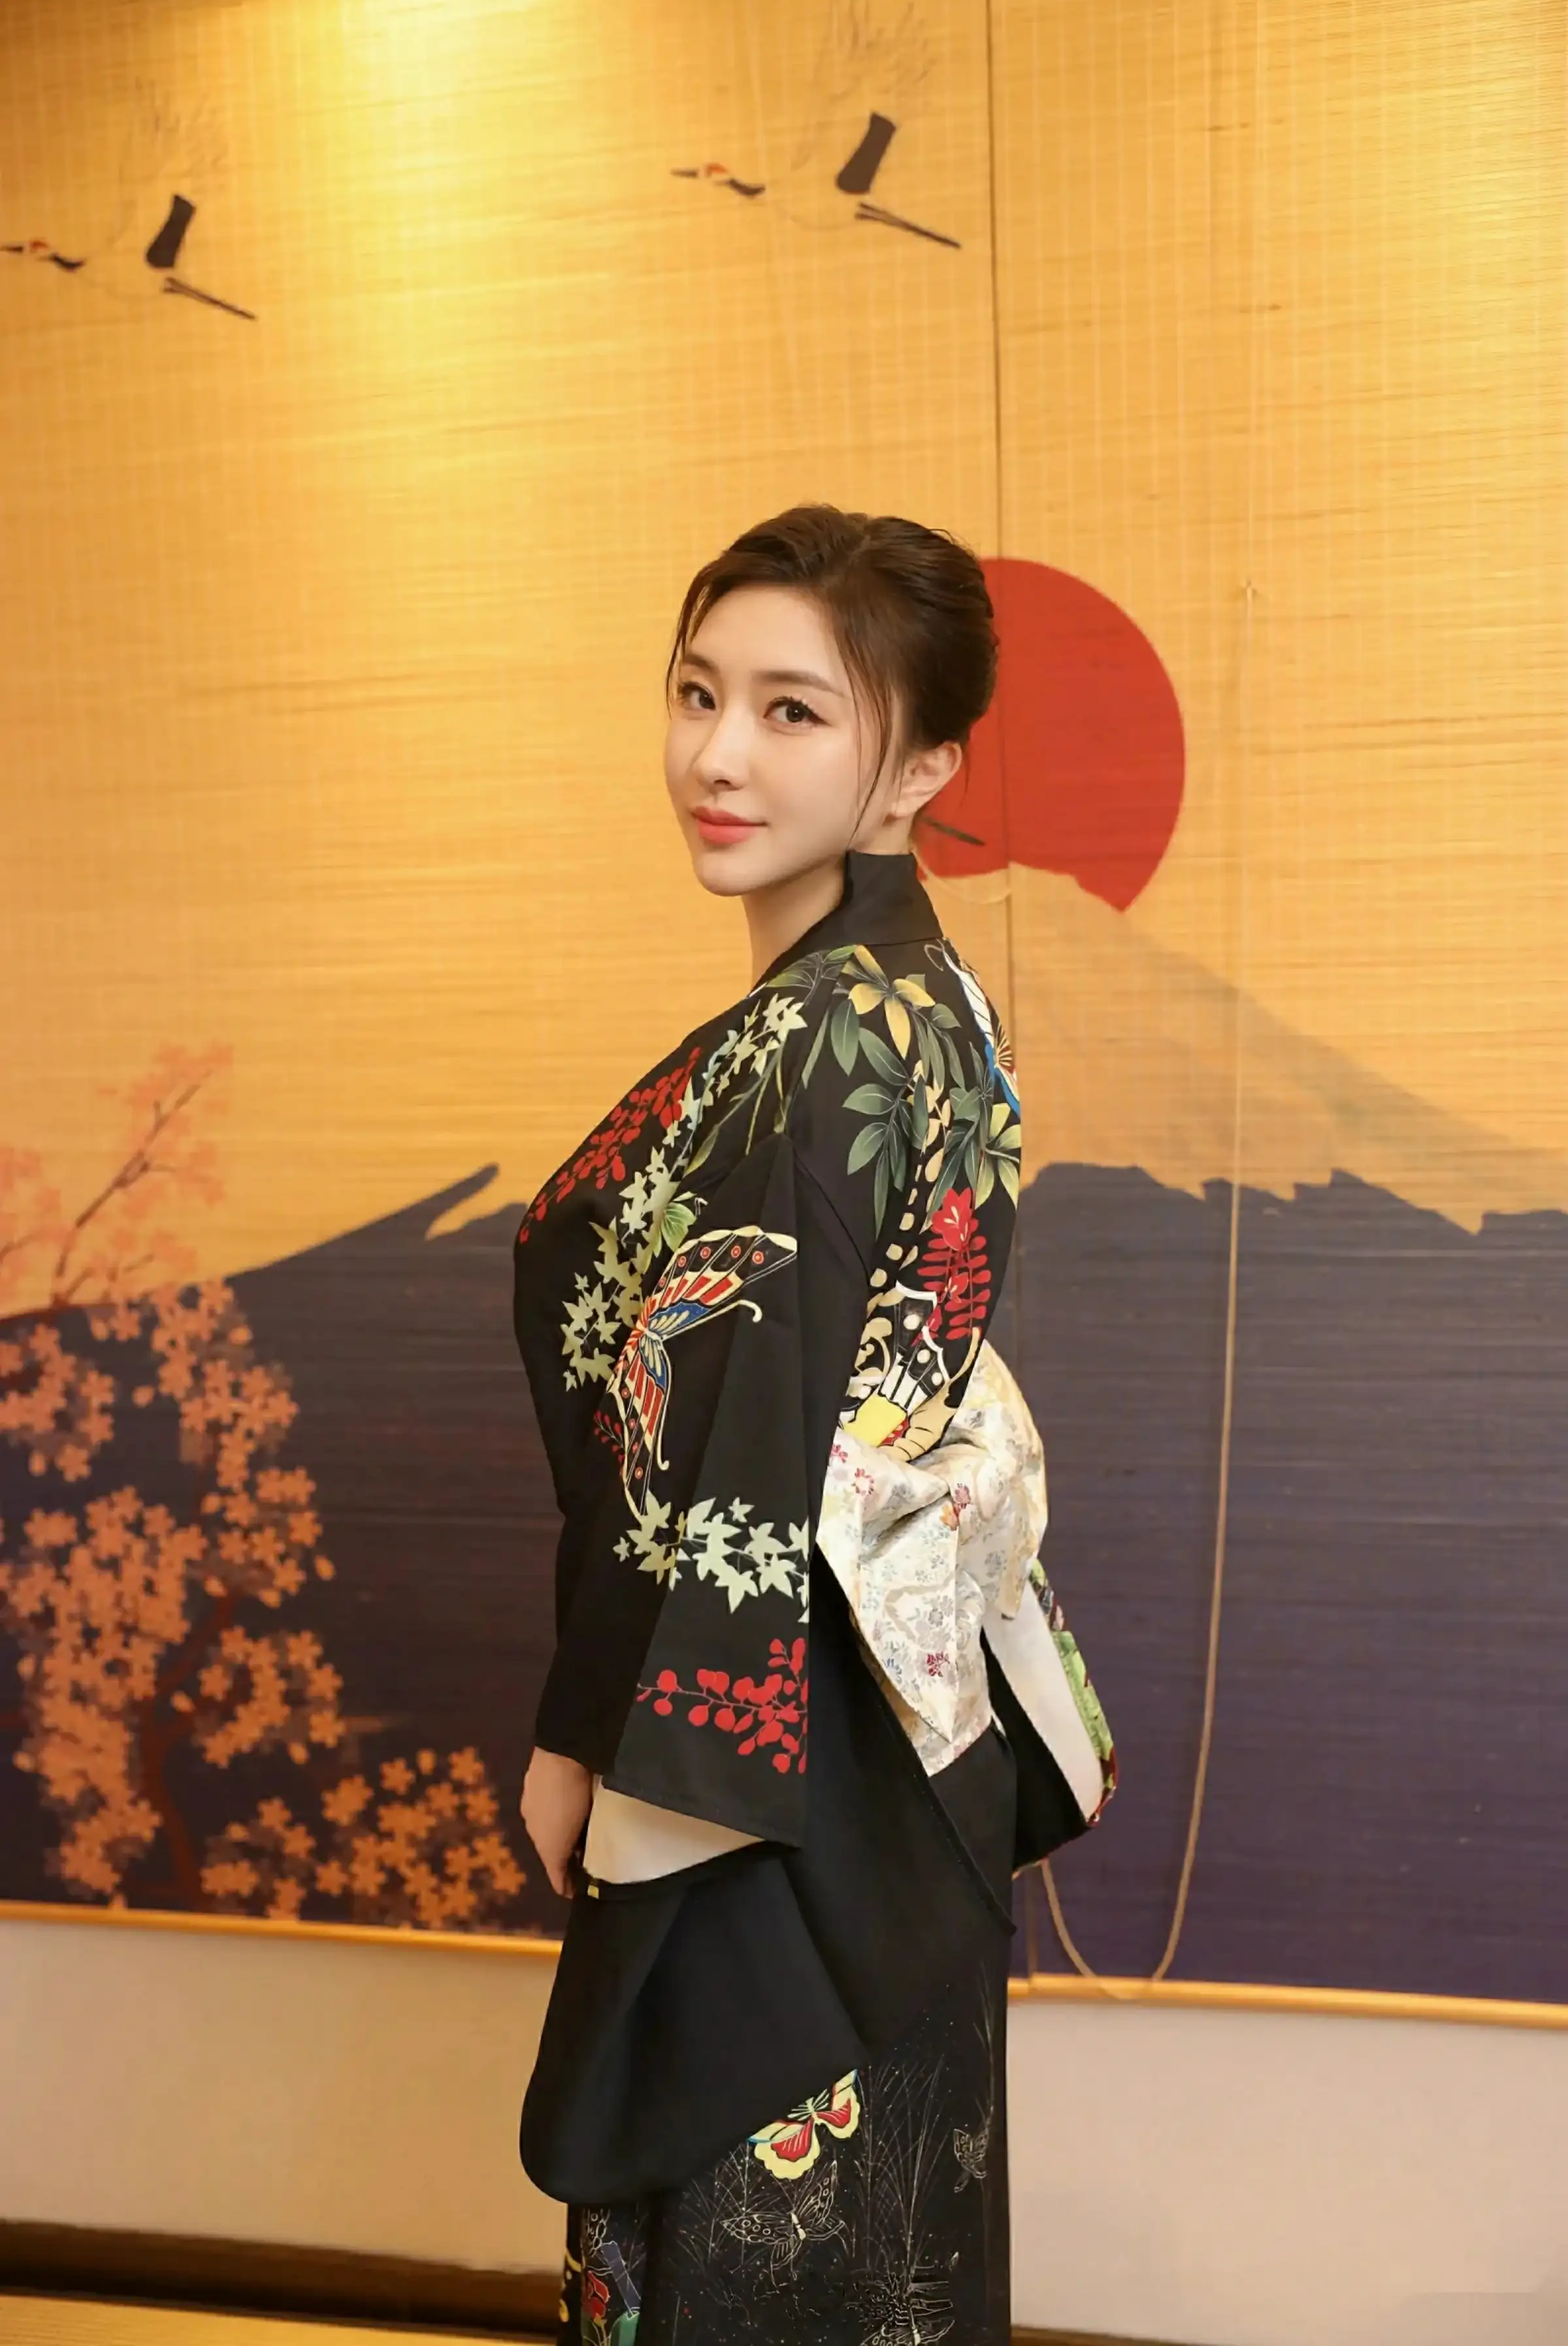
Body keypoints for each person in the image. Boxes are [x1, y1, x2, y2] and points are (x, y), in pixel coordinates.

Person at [512, 505, 1115, 2346]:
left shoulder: (817, 1037)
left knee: (746, 2268)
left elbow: (742, 1445)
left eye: (793, 712)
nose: (718, 755)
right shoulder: (937, 1005)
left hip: (765, 1760)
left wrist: (587, 1735)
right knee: (885, 2265)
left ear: (919, 767)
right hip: (901, 1748)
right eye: (698, 694)